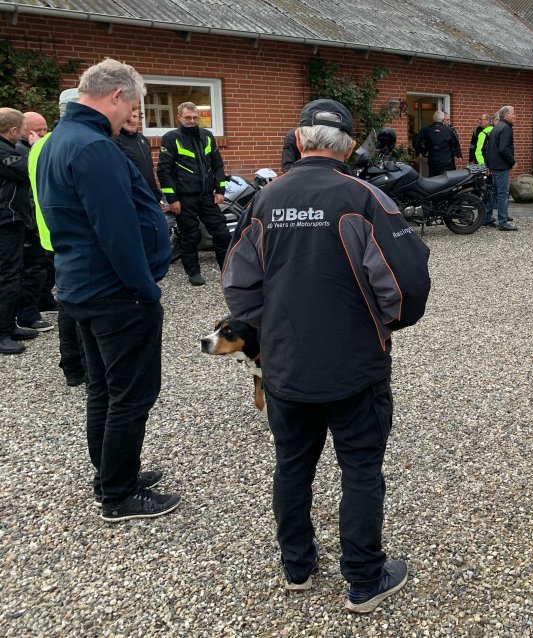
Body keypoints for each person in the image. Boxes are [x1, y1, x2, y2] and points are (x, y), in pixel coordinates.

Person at [222, 100, 431, 611]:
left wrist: (274, 327)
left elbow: (238, 285)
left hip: (287, 365)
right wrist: (381, 323)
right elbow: (407, 285)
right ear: (350, 145)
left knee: (292, 465)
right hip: (354, 363)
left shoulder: (264, 199)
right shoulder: (365, 197)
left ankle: (297, 567)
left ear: (298, 140)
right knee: (360, 468)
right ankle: (364, 578)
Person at [36, 58, 178, 520]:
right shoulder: (94, 147)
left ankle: (111, 474)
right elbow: (116, 231)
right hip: (115, 293)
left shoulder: (61, 139)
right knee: (131, 395)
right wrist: (145, 288)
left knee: (103, 389)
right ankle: (118, 494)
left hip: (82, 286)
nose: (130, 116)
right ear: (116, 95)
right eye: (131, 106)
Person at [29, 90, 88, 384]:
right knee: (81, 307)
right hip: (71, 236)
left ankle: (72, 366)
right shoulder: (70, 144)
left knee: (67, 303)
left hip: (50, 234)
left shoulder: (41, 145)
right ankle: (83, 367)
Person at [157, 101, 231, 286]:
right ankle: (193, 272)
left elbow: (218, 165)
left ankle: (227, 270)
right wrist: (172, 199)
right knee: (190, 236)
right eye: (187, 118)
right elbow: (164, 171)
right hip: (184, 199)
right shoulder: (171, 138)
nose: (191, 121)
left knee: (222, 233)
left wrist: (220, 189)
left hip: (207, 196)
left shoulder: (207, 136)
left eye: (195, 118)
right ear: (179, 118)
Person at [0, 108, 38, 355]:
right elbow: (29, 169)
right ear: (13, 130)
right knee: (7, 276)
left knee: (13, 273)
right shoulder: (3, 151)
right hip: (5, 221)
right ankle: (2, 333)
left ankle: (9, 324)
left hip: (11, 221)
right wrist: (36, 148)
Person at [15, 112, 54, 334]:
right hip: (29, 220)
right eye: (37, 130)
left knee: (45, 266)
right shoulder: (22, 151)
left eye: (44, 129)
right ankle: (28, 314)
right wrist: (33, 224)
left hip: (38, 219)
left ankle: (44, 299)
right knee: (33, 268)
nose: (42, 134)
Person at [113, 106, 159, 200]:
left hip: (150, 196)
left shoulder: (143, 139)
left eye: (135, 116)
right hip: (131, 198)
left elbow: (149, 170)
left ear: (139, 118)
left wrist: (156, 193)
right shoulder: (114, 141)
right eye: (128, 116)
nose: (132, 120)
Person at [484, 106, 517, 231]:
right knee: (503, 194)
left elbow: (488, 148)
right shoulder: (506, 128)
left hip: (494, 165)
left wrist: (488, 165)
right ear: (507, 115)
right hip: (501, 166)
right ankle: (503, 222)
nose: (515, 116)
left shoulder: (496, 127)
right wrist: (512, 161)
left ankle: (486, 217)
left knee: (494, 192)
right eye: (513, 113)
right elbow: (503, 149)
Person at [415, 110, 461, 176]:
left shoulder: (426, 130)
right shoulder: (449, 130)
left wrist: (423, 151)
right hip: (447, 162)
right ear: (442, 119)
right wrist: (459, 155)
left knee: (434, 179)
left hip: (433, 161)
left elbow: (415, 142)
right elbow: (455, 143)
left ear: (433, 119)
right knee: (448, 179)